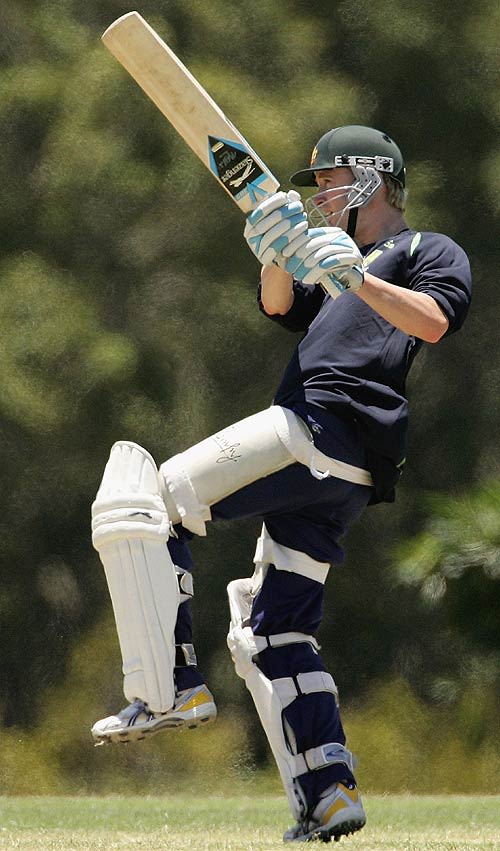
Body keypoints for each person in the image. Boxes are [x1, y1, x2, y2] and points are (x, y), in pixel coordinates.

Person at [90, 125, 472, 843]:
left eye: (328, 181)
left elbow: (434, 320)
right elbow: (279, 306)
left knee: (146, 497)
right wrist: (274, 250)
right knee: (273, 632)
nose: (320, 195)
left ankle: (166, 687)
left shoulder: (426, 251)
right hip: (340, 474)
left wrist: (361, 278)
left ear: (372, 180)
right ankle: (330, 797)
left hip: (319, 428)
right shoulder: (333, 267)